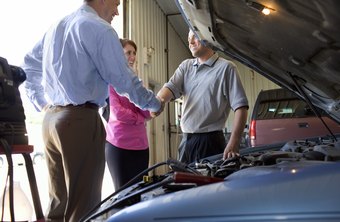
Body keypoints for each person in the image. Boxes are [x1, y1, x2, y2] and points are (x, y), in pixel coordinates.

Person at [21, 0, 164, 221]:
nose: (117, 11)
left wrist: (42, 104)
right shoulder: (99, 29)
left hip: (51, 121)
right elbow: (124, 80)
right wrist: (155, 104)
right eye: (116, 3)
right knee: (83, 206)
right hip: (80, 119)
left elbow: (28, 65)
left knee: (58, 204)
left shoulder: (56, 27)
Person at [155, 29, 248, 164]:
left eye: (194, 37)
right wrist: (159, 101)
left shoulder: (226, 68)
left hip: (211, 142)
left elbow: (241, 108)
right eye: (188, 39)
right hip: (186, 141)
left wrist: (234, 142)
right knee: (185, 183)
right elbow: (169, 87)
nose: (191, 42)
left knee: (211, 183)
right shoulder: (186, 66)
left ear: (207, 37)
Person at [105, 38, 151, 190]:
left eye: (134, 53)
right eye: (128, 53)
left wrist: (140, 91)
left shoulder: (137, 82)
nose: (132, 57)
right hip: (119, 144)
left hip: (141, 146)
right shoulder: (110, 82)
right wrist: (138, 117)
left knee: (140, 192)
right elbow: (117, 112)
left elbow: (148, 111)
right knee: (122, 193)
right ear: (118, 54)